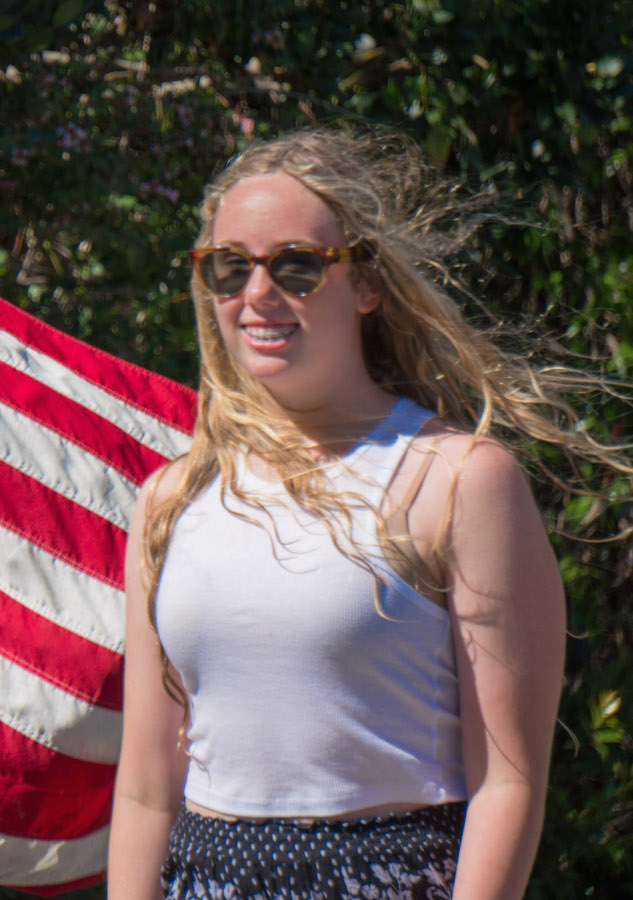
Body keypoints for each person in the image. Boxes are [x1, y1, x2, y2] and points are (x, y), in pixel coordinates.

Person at [107, 130, 628, 899]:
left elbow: (507, 785)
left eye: (294, 265)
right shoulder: (170, 499)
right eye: (228, 268)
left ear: (366, 283)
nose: (256, 294)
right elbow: (147, 786)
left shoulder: (459, 480)